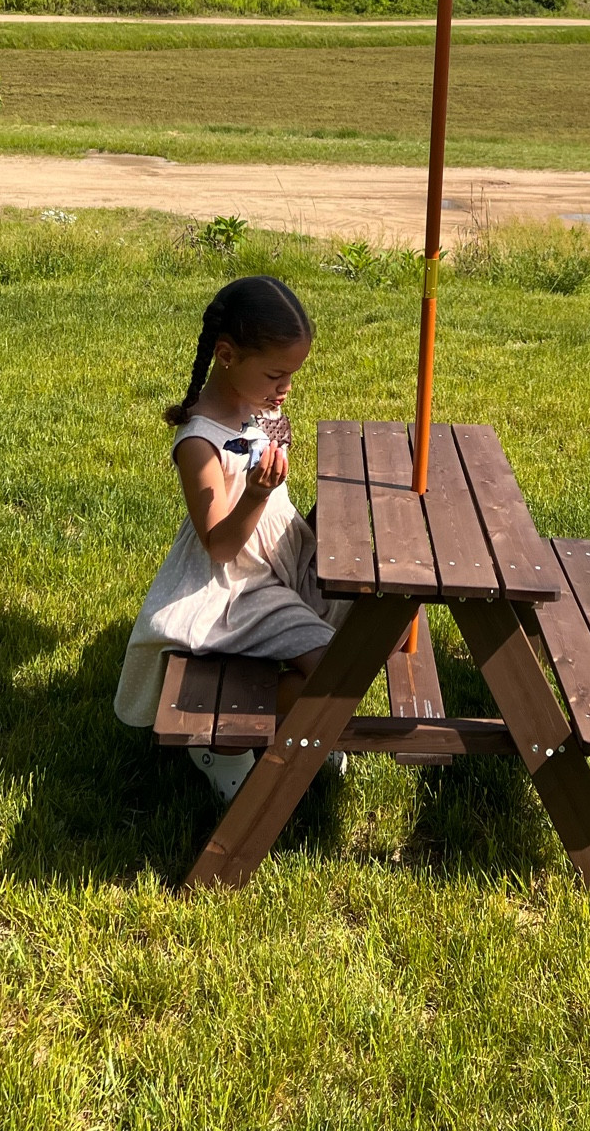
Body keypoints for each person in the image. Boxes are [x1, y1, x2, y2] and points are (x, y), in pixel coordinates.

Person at [114, 274, 345, 802]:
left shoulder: (258, 405)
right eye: (275, 374)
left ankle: (302, 716)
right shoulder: (199, 442)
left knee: (368, 625)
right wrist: (257, 496)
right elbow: (219, 544)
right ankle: (226, 738)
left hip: (278, 561)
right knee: (336, 667)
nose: (285, 388)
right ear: (226, 354)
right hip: (233, 588)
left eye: (292, 374)